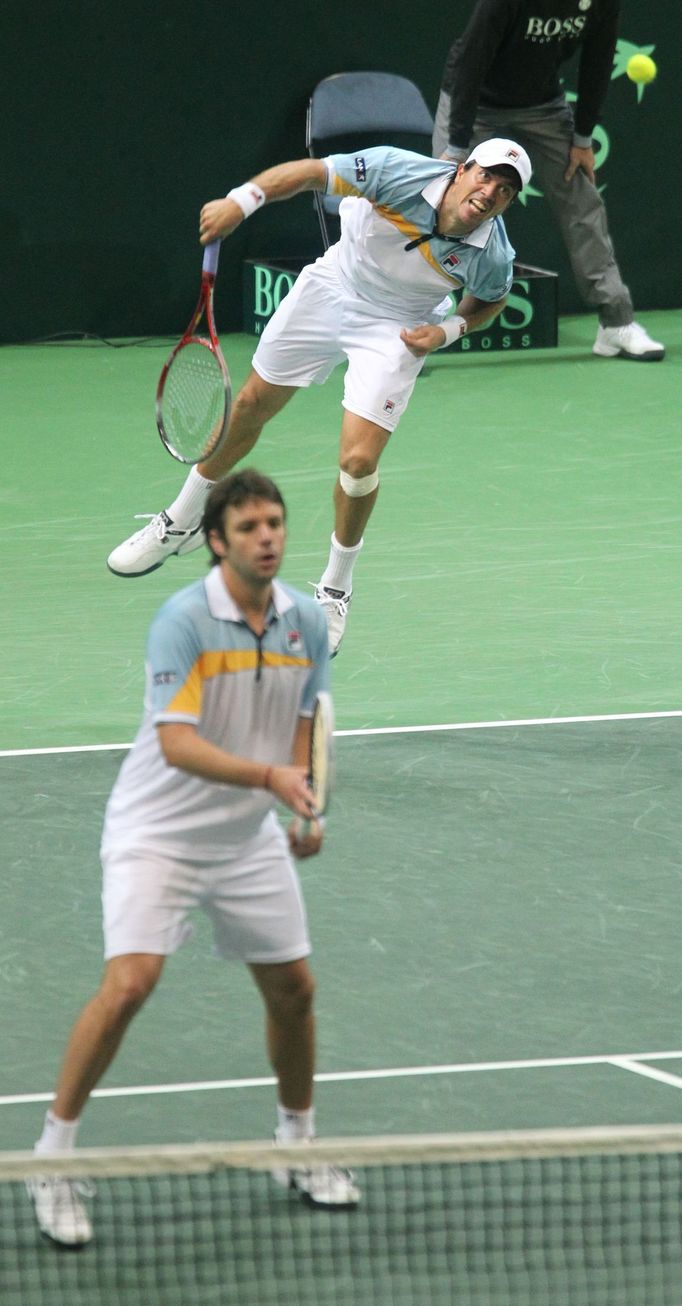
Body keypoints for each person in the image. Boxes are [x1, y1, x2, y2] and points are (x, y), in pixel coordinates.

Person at [28, 468, 360, 1248]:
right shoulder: (181, 621)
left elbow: (307, 716)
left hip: (244, 836)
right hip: (158, 832)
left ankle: (296, 1143)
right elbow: (177, 745)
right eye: (249, 528)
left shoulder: (306, 621)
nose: (268, 537)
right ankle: (51, 1157)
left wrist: (306, 798)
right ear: (217, 542)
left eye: (275, 523)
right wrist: (273, 778)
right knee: (131, 984)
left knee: (294, 990)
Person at [107, 137, 533, 656]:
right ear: (462, 169)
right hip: (332, 287)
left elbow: (490, 298)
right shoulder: (396, 172)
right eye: (485, 176)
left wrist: (446, 331)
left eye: (505, 190)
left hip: (398, 327)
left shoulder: (492, 251)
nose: (490, 192)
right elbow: (310, 172)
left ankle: (335, 587)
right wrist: (240, 203)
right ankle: (182, 518)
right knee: (249, 406)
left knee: (357, 464)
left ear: (510, 202)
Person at [432, 0, 664, 363]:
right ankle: (415, 324)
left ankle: (615, 324)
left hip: (542, 103)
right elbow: (471, 59)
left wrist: (583, 138)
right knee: (442, 200)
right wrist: (458, 145)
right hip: (474, 98)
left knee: (581, 200)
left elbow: (598, 59)